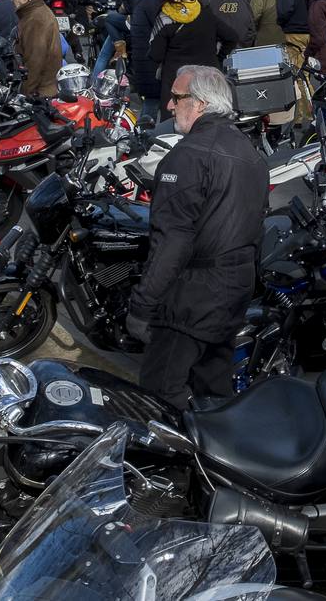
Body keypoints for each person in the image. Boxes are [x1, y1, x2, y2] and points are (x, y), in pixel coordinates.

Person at [126, 66, 266, 407]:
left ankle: (180, 455)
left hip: (194, 295)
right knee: (213, 387)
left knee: (160, 393)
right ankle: (217, 450)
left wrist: (142, 306)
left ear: (200, 104)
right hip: (235, 289)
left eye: (177, 98)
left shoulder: (187, 155)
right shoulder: (251, 153)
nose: (170, 106)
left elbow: (172, 240)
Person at [129, 0, 173, 115]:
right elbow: (163, 26)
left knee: (152, 102)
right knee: (152, 103)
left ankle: (144, 134)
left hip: (144, 58)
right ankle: (144, 136)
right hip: (149, 61)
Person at [8, 0, 61, 98]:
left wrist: (24, 94)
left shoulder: (36, 19)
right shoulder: (37, 12)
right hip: (45, 88)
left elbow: (35, 61)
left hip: (41, 92)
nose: (11, 0)